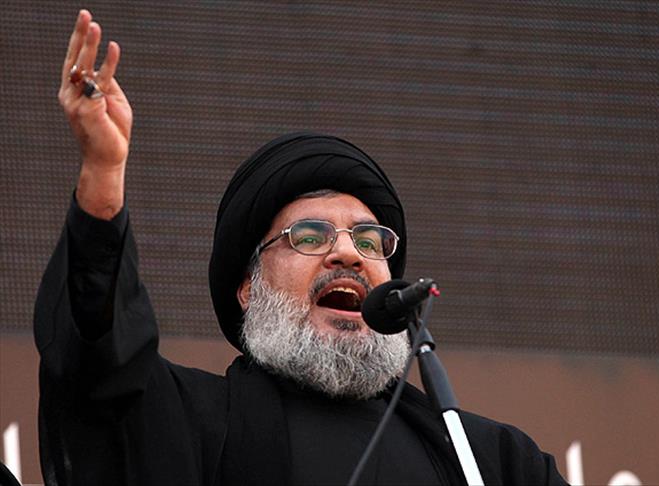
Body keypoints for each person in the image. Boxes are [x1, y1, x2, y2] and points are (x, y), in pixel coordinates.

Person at [35, 9, 568, 486]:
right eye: (310, 236)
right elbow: (99, 361)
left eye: (369, 240)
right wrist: (103, 174)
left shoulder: (493, 461)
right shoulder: (193, 421)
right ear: (249, 288)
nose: (348, 254)